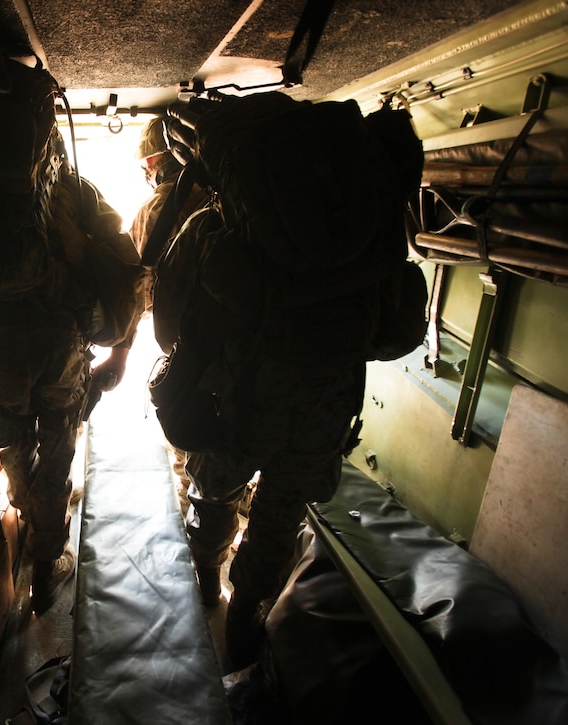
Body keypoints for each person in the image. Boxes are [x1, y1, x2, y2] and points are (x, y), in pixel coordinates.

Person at [155, 96, 384, 669]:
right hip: (324, 411)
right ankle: (245, 616)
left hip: (241, 406)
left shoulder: (213, 230)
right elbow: (389, 329)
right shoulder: (360, 234)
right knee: (280, 516)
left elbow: (167, 324)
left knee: (213, 496)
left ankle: (207, 577)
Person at [0, 128, 144, 615]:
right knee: (59, 446)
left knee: (14, 439)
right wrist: (119, 348)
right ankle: (46, 567)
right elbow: (125, 265)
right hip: (59, 343)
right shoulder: (73, 189)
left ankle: (26, 514)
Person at [128, 117, 211, 517]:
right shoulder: (228, 193)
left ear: (158, 161)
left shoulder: (154, 209)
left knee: (189, 438)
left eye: (146, 164)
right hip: (244, 339)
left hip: (185, 348)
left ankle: (191, 517)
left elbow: (137, 287)